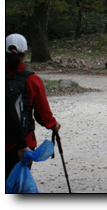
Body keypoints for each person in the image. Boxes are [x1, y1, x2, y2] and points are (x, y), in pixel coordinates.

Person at [5, 33, 61, 179]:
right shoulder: (32, 80)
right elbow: (43, 114)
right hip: (24, 142)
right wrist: (53, 125)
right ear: (25, 54)